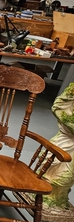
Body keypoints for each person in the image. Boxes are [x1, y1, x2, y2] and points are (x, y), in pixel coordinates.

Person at [43, 82, 74, 213]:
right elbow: (58, 106)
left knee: (67, 175)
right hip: (66, 137)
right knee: (52, 165)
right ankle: (45, 193)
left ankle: (57, 198)